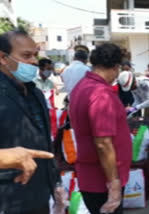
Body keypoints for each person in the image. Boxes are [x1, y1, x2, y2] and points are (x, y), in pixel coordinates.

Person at [0, 30, 62, 214]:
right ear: (3, 58)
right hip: (8, 198)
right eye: (26, 56)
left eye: (35, 55)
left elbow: (44, 143)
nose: (34, 61)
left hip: (39, 195)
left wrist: (55, 183)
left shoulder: (34, 92)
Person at [69, 43, 132, 214]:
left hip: (92, 175)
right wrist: (114, 184)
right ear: (115, 67)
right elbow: (103, 143)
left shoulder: (82, 86)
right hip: (101, 180)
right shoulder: (101, 94)